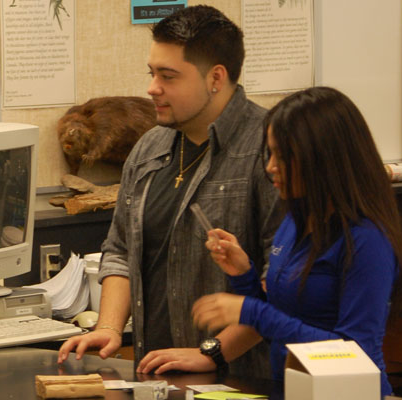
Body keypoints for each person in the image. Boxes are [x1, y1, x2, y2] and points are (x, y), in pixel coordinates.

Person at [58, 5, 282, 378]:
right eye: (152, 73)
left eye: (169, 76)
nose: (152, 88)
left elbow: (284, 287)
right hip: (157, 374)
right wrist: (109, 328)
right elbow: (120, 251)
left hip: (242, 379)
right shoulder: (149, 148)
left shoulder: (268, 149)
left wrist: (211, 354)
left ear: (216, 78)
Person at [192, 86, 402, 396]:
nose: (270, 167)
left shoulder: (367, 240)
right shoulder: (295, 220)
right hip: (294, 388)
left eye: (284, 156)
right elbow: (284, 318)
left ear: (325, 159)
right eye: (270, 152)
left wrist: (251, 311)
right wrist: (244, 276)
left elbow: (354, 354)